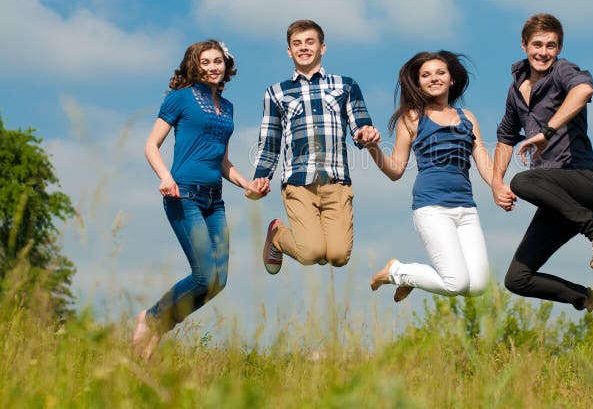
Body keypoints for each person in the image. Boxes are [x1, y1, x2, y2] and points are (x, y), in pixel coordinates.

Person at [492, 13, 593, 344]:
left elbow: (584, 90)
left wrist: (547, 131)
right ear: (524, 46)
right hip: (556, 198)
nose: (544, 52)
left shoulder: (562, 72)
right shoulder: (516, 90)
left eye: (551, 46)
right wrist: (495, 184)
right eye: (537, 45)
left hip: (581, 183)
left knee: (523, 181)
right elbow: (505, 136)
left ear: (559, 48)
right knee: (517, 279)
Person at [132, 39, 259, 359]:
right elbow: (150, 145)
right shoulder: (180, 99)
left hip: (214, 200)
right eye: (206, 62)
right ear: (194, 65)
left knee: (218, 281)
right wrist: (165, 176)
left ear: (225, 65)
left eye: (218, 61)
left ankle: (158, 326)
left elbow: (222, 161)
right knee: (203, 274)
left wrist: (246, 182)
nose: (213, 67)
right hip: (182, 193)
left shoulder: (227, 108)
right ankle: (151, 319)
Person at [250, 19, 380, 273]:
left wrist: (366, 134)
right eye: (297, 44)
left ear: (322, 47)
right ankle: (276, 234)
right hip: (298, 181)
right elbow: (270, 141)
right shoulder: (276, 92)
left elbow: (360, 125)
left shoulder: (346, 85)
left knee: (339, 256)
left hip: (336, 181)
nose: (303, 48)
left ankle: (313, 241)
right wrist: (260, 178)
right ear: (289, 51)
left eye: (310, 42)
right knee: (311, 253)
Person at [368, 51, 491, 302]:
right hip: (431, 206)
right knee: (456, 283)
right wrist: (372, 148)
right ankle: (397, 271)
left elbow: (483, 161)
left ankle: (409, 276)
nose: (433, 78)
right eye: (426, 75)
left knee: (477, 286)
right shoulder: (412, 118)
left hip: (466, 208)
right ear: (419, 82)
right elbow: (395, 170)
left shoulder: (467, 118)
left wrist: (499, 187)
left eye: (440, 73)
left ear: (451, 80)